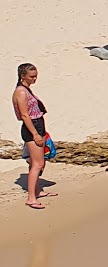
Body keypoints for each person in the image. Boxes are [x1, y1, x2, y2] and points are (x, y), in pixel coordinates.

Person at [13, 63, 52, 210]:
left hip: (37, 126)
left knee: (38, 162)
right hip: (32, 128)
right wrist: (35, 133)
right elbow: (24, 115)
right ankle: (31, 198)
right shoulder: (21, 92)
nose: (35, 79)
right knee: (37, 164)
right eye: (31, 76)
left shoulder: (26, 90)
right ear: (23, 76)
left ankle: (37, 191)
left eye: (36, 75)